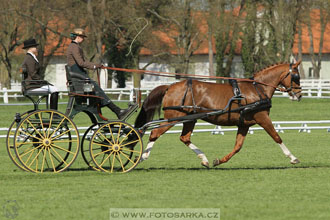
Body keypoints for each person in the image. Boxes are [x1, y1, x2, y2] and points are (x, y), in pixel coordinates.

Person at [66, 28, 135, 119]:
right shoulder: (74, 47)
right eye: (82, 37)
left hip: (79, 75)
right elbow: (81, 63)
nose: (83, 39)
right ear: (78, 37)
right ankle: (118, 111)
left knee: (97, 89)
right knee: (97, 89)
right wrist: (95, 66)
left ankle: (117, 111)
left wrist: (96, 65)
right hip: (79, 76)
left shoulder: (74, 46)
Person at [21, 38, 59, 110]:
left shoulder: (31, 57)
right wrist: (43, 82)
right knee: (55, 90)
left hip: (33, 84)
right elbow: (33, 74)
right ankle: (54, 113)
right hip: (31, 85)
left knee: (53, 88)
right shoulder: (29, 59)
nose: (36, 48)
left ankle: (52, 111)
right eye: (35, 46)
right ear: (30, 48)